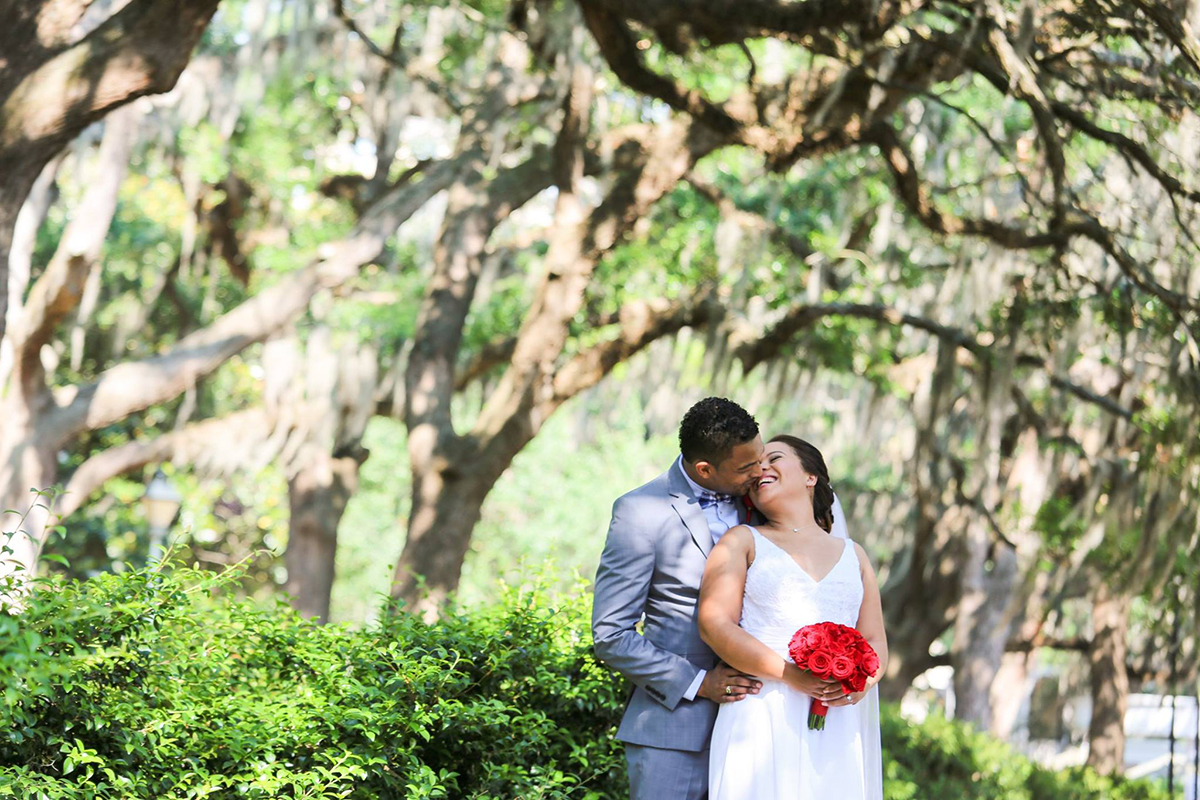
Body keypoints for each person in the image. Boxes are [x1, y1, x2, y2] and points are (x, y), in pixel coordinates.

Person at [591, 397, 766, 800]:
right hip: (676, 734)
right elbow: (611, 634)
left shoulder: (766, 503)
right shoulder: (640, 512)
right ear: (705, 469)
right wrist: (700, 683)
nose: (760, 472)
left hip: (760, 729)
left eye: (760, 458)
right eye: (746, 467)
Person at [699, 435, 887, 799]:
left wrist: (858, 684)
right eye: (754, 466)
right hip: (761, 715)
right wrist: (790, 674)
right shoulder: (742, 541)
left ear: (810, 476)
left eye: (774, 458)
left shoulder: (855, 555)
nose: (760, 469)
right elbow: (714, 624)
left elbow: (876, 642)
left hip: (837, 721)